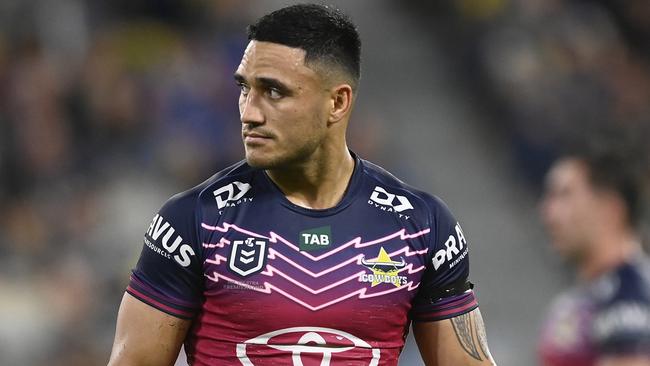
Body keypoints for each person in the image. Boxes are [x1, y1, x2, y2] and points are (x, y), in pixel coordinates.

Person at [107, 4, 496, 365]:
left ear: (338, 103)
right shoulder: (195, 221)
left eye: (273, 91)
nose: (249, 112)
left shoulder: (421, 225)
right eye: (245, 88)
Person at [539, 134, 650, 366]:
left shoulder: (632, 299)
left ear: (610, 209)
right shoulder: (577, 303)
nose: (548, 213)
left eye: (564, 195)